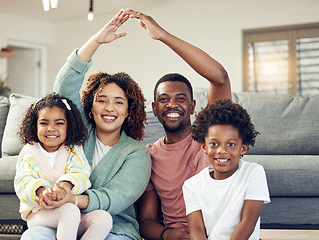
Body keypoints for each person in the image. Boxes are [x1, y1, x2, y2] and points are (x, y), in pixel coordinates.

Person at [20, 9, 151, 240]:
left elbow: (116, 197)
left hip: (114, 227)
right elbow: (64, 86)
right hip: (57, 218)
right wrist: (96, 41)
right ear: (90, 106)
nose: (109, 108)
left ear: (129, 110)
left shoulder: (137, 153)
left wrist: (71, 198)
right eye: (102, 100)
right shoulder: (75, 134)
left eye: (118, 102)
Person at [123, 9, 232, 240]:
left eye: (180, 99)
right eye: (164, 99)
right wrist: (169, 234)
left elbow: (220, 77)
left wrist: (162, 35)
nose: (172, 104)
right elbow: (146, 222)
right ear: (154, 109)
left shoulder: (211, 134)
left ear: (192, 106)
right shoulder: (149, 156)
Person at [14, 93, 112, 240]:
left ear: (69, 126)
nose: (51, 128)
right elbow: (23, 181)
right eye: (44, 123)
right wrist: (43, 192)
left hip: (70, 212)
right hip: (40, 212)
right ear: (35, 125)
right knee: (69, 210)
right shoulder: (29, 151)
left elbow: (81, 173)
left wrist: (65, 187)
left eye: (59, 123)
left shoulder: (73, 149)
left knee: (104, 218)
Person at [183, 99, 270, 240]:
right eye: (214, 144)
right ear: (204, 146)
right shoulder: (192, 185)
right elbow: (197, 230)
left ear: (244, 147)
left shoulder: (254, 173)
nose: (222, 150)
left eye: (230, 144)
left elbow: (248, 223)